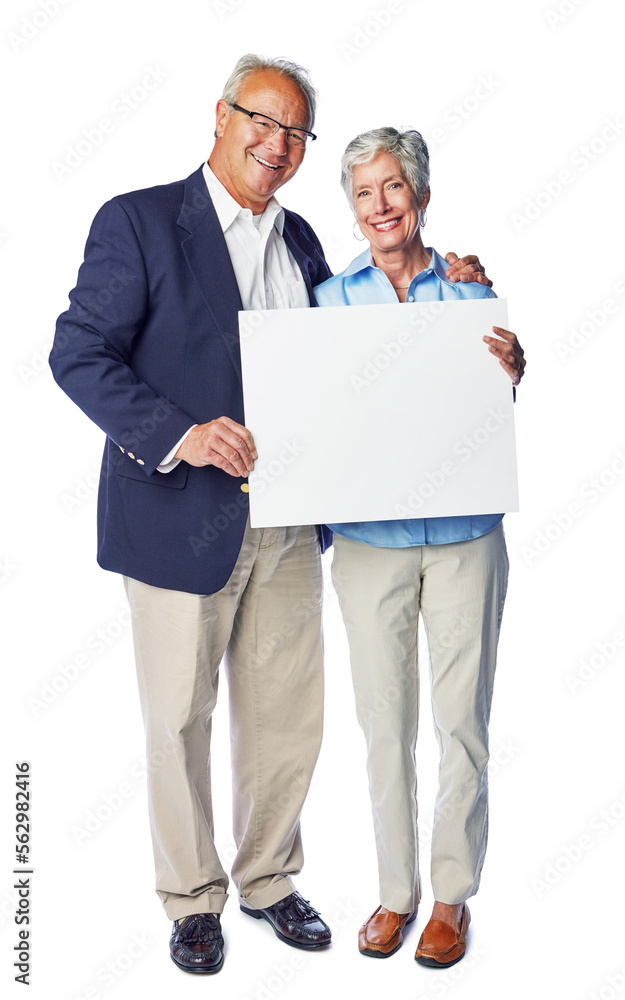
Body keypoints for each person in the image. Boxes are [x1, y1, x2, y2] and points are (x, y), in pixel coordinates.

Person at [49, 54, 493, 976]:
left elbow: (368, 366)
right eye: (262, 120)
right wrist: (182, 432)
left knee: (289, 716)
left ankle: (267, 880)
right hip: (178, 514)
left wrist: (461, 303)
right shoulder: (137, 222)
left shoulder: (302, 248)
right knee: (179, 718)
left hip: (290, 526)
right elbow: (77, 351)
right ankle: (191, 897)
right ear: (221, 116)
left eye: (295, 132)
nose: (276, 142)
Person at [314, 127, 526, 968]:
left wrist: (514, 367)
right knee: (381, 723)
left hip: (467, 535)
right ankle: (393, 893)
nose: (379, 206)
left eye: (392, 187)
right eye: (362, 193)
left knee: (459, 722)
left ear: (421, 196)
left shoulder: (470, 294)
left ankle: (449, 898)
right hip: (370, 543)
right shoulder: (327, 302)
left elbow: (488, 413)